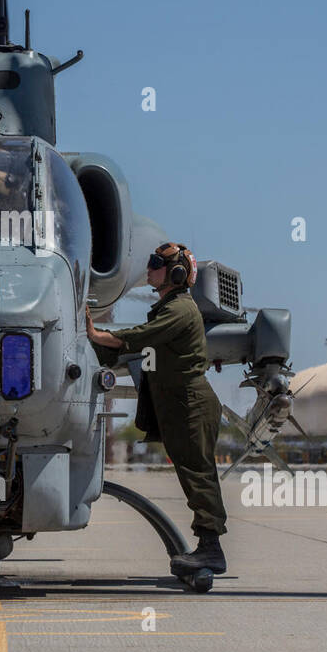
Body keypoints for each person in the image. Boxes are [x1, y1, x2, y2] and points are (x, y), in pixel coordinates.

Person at [85, 242, 228, 573]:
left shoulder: (180, 309)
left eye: (155, 263)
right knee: (194, 474)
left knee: (198, 476)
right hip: (181, 406)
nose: (148, 269)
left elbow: (142, 336)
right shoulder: (170, 307)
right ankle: (207, 547)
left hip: (190, 406)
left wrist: (97, 334)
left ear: (176, 274)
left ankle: (211, 550)